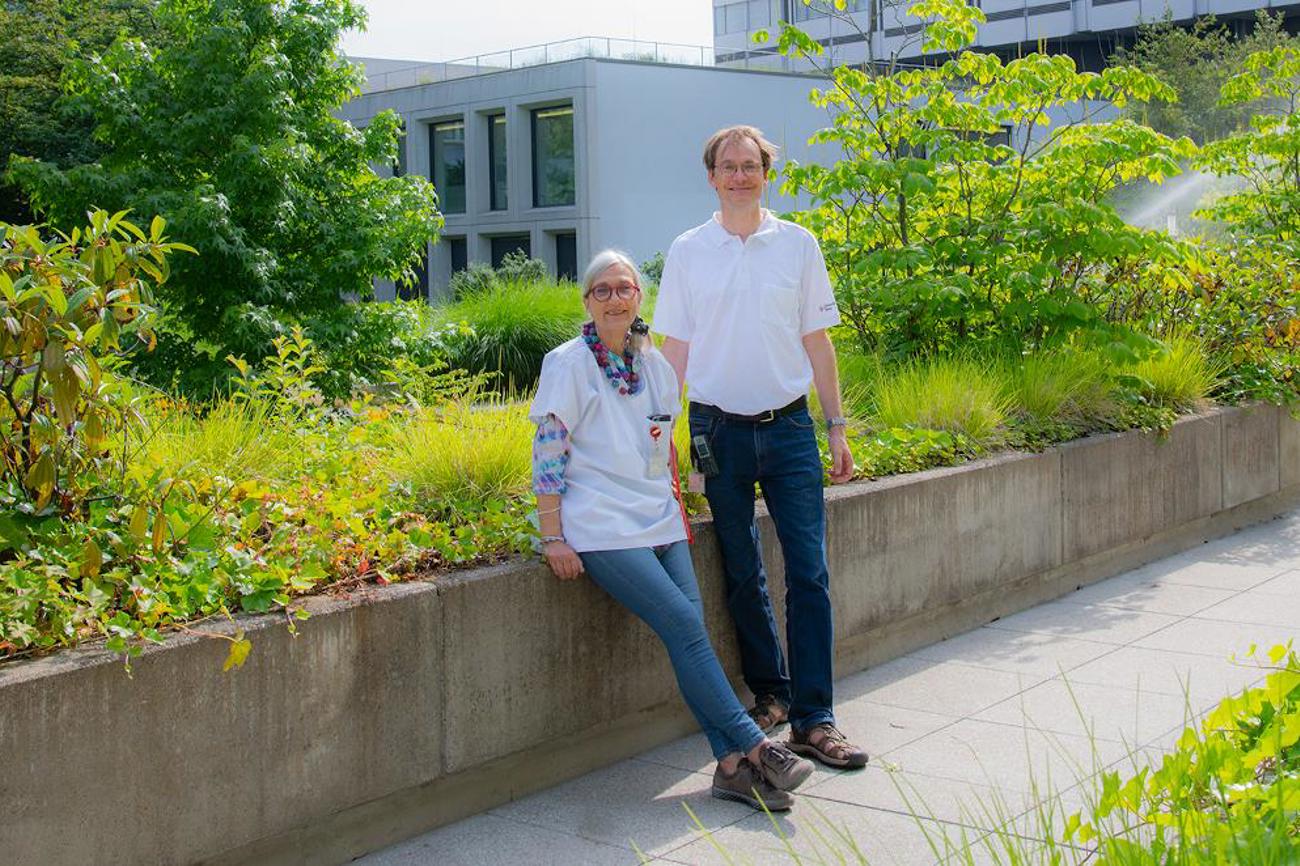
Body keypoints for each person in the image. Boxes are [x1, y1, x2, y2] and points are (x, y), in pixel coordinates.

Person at [530, 249, 815, 811]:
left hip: (660, 519)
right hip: (603, 527)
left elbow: (663, 449)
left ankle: (730, 766)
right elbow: (547, 453)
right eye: (602, 290)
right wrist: (553, 535)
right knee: (685, 622)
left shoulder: (656, 366)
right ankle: (759, 749)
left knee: (692, 635)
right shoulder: (566, 363)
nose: (615, 298)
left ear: (640, 297)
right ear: (587, 302)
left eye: (624, 287)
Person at [652, 125, 869, 770]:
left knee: (809, 572)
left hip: (791, 427)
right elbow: (675, 352)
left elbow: (818, 341)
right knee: (741, 567)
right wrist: (661, 439)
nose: (741, 175)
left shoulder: (797, 245)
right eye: (729, 165)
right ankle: (769, 695)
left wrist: (836, 426)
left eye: (751, 165)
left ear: (765, 173)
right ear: (712, 175)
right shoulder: (690, 251)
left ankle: (815, 719)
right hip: (716, 429)